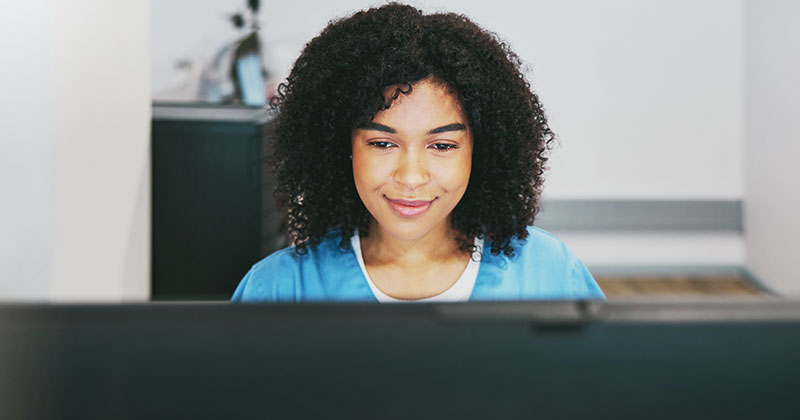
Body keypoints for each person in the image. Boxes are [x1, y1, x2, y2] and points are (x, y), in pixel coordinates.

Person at [232, 3, 604, 302]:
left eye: (442, 145)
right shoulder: (278, 289)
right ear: (341, 147)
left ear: (481, 150)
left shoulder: (551, 274)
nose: (411, 177)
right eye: (382, 143)